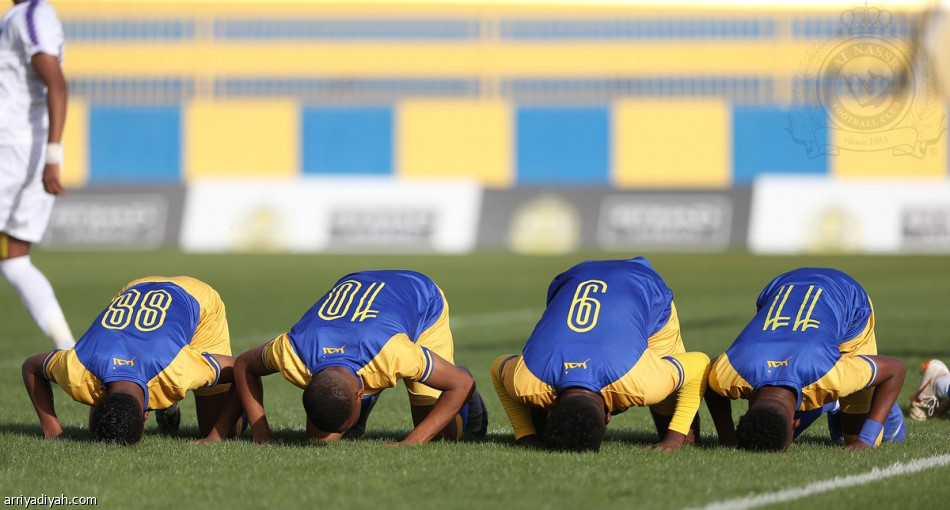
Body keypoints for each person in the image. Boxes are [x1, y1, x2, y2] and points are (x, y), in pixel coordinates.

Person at [201, 270, 488, 446]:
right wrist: (262, 432)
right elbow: (244, 365)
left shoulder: (395, 354)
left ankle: (468, 407)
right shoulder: (292, 352)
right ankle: (360, 408)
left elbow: (459, 384)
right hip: (355, 292)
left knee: (437, 436)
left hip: (420, 295)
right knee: (319, 439)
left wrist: (410, 443)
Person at [490, 257, 710, 452]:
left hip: (645, 289)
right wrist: (526, 437)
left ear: (607, 418)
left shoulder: (642, 383)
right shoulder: (526, 381)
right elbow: (498, 366)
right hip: (574, 278)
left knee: (679, 424)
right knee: (535, 403)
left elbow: (700, 364)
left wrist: (675, 438)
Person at [22, 276, 242, 445]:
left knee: (227, 430)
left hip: (196, 298)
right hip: (136, 288)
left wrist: (215, 435)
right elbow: (31, 367)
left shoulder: (176, 371)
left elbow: (240, 367)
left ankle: (166, 401)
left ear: (145, 415)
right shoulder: (78, 370)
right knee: (105, 419)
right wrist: (53, 431)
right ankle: (164, 401)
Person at [705, 267, 906, 452]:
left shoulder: (831, 376)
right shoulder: (728, 373)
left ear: (795, 423)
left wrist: (867, 440)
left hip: (848, 301)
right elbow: (712, 385)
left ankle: (840, 402)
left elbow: (895, 370)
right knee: (765, 431)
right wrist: (728, 438)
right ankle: (830, 403)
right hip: (782, 286)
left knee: (858, 438)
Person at [1, 0, 72, 349]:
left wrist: (52, 155)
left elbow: (56, 83)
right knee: (14, 260)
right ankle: (69, 352)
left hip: (12, 151)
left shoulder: (30, 14)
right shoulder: (32, 16)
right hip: (26, 149)